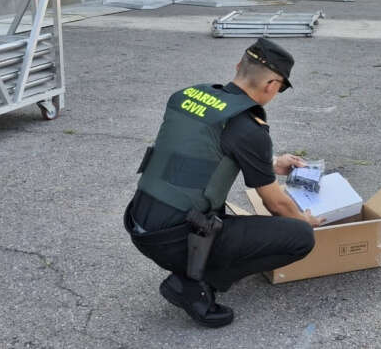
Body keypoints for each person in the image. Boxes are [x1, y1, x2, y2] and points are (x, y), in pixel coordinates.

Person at [124, 38, 323, 327]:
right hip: (175, 239)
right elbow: (276, 204)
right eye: (280, 88)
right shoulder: (248, 127)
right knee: (300, 237)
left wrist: (271, 163)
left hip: (140, 223)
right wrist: (305, 220)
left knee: (212, 206)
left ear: (238, 65)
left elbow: (202, 151)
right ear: (271, 85)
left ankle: (198, 266)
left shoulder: (186, 96)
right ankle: (193, 286)